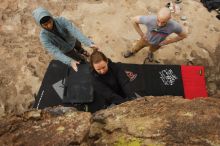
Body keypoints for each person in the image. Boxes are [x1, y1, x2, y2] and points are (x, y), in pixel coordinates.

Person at [32, 7, 99, 71]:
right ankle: (83, 60)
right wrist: (70, 61)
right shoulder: (44, 37)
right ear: (40, 25)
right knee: (77, 57)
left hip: (73, 41)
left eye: (50, 22)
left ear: (51, 18)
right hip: (66, 50)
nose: (49, 26)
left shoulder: (61, 20)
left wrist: (89, 43)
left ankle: (83, 52)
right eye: (45, 24)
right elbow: (55, 52)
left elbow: (75, 31)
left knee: (79, 47)